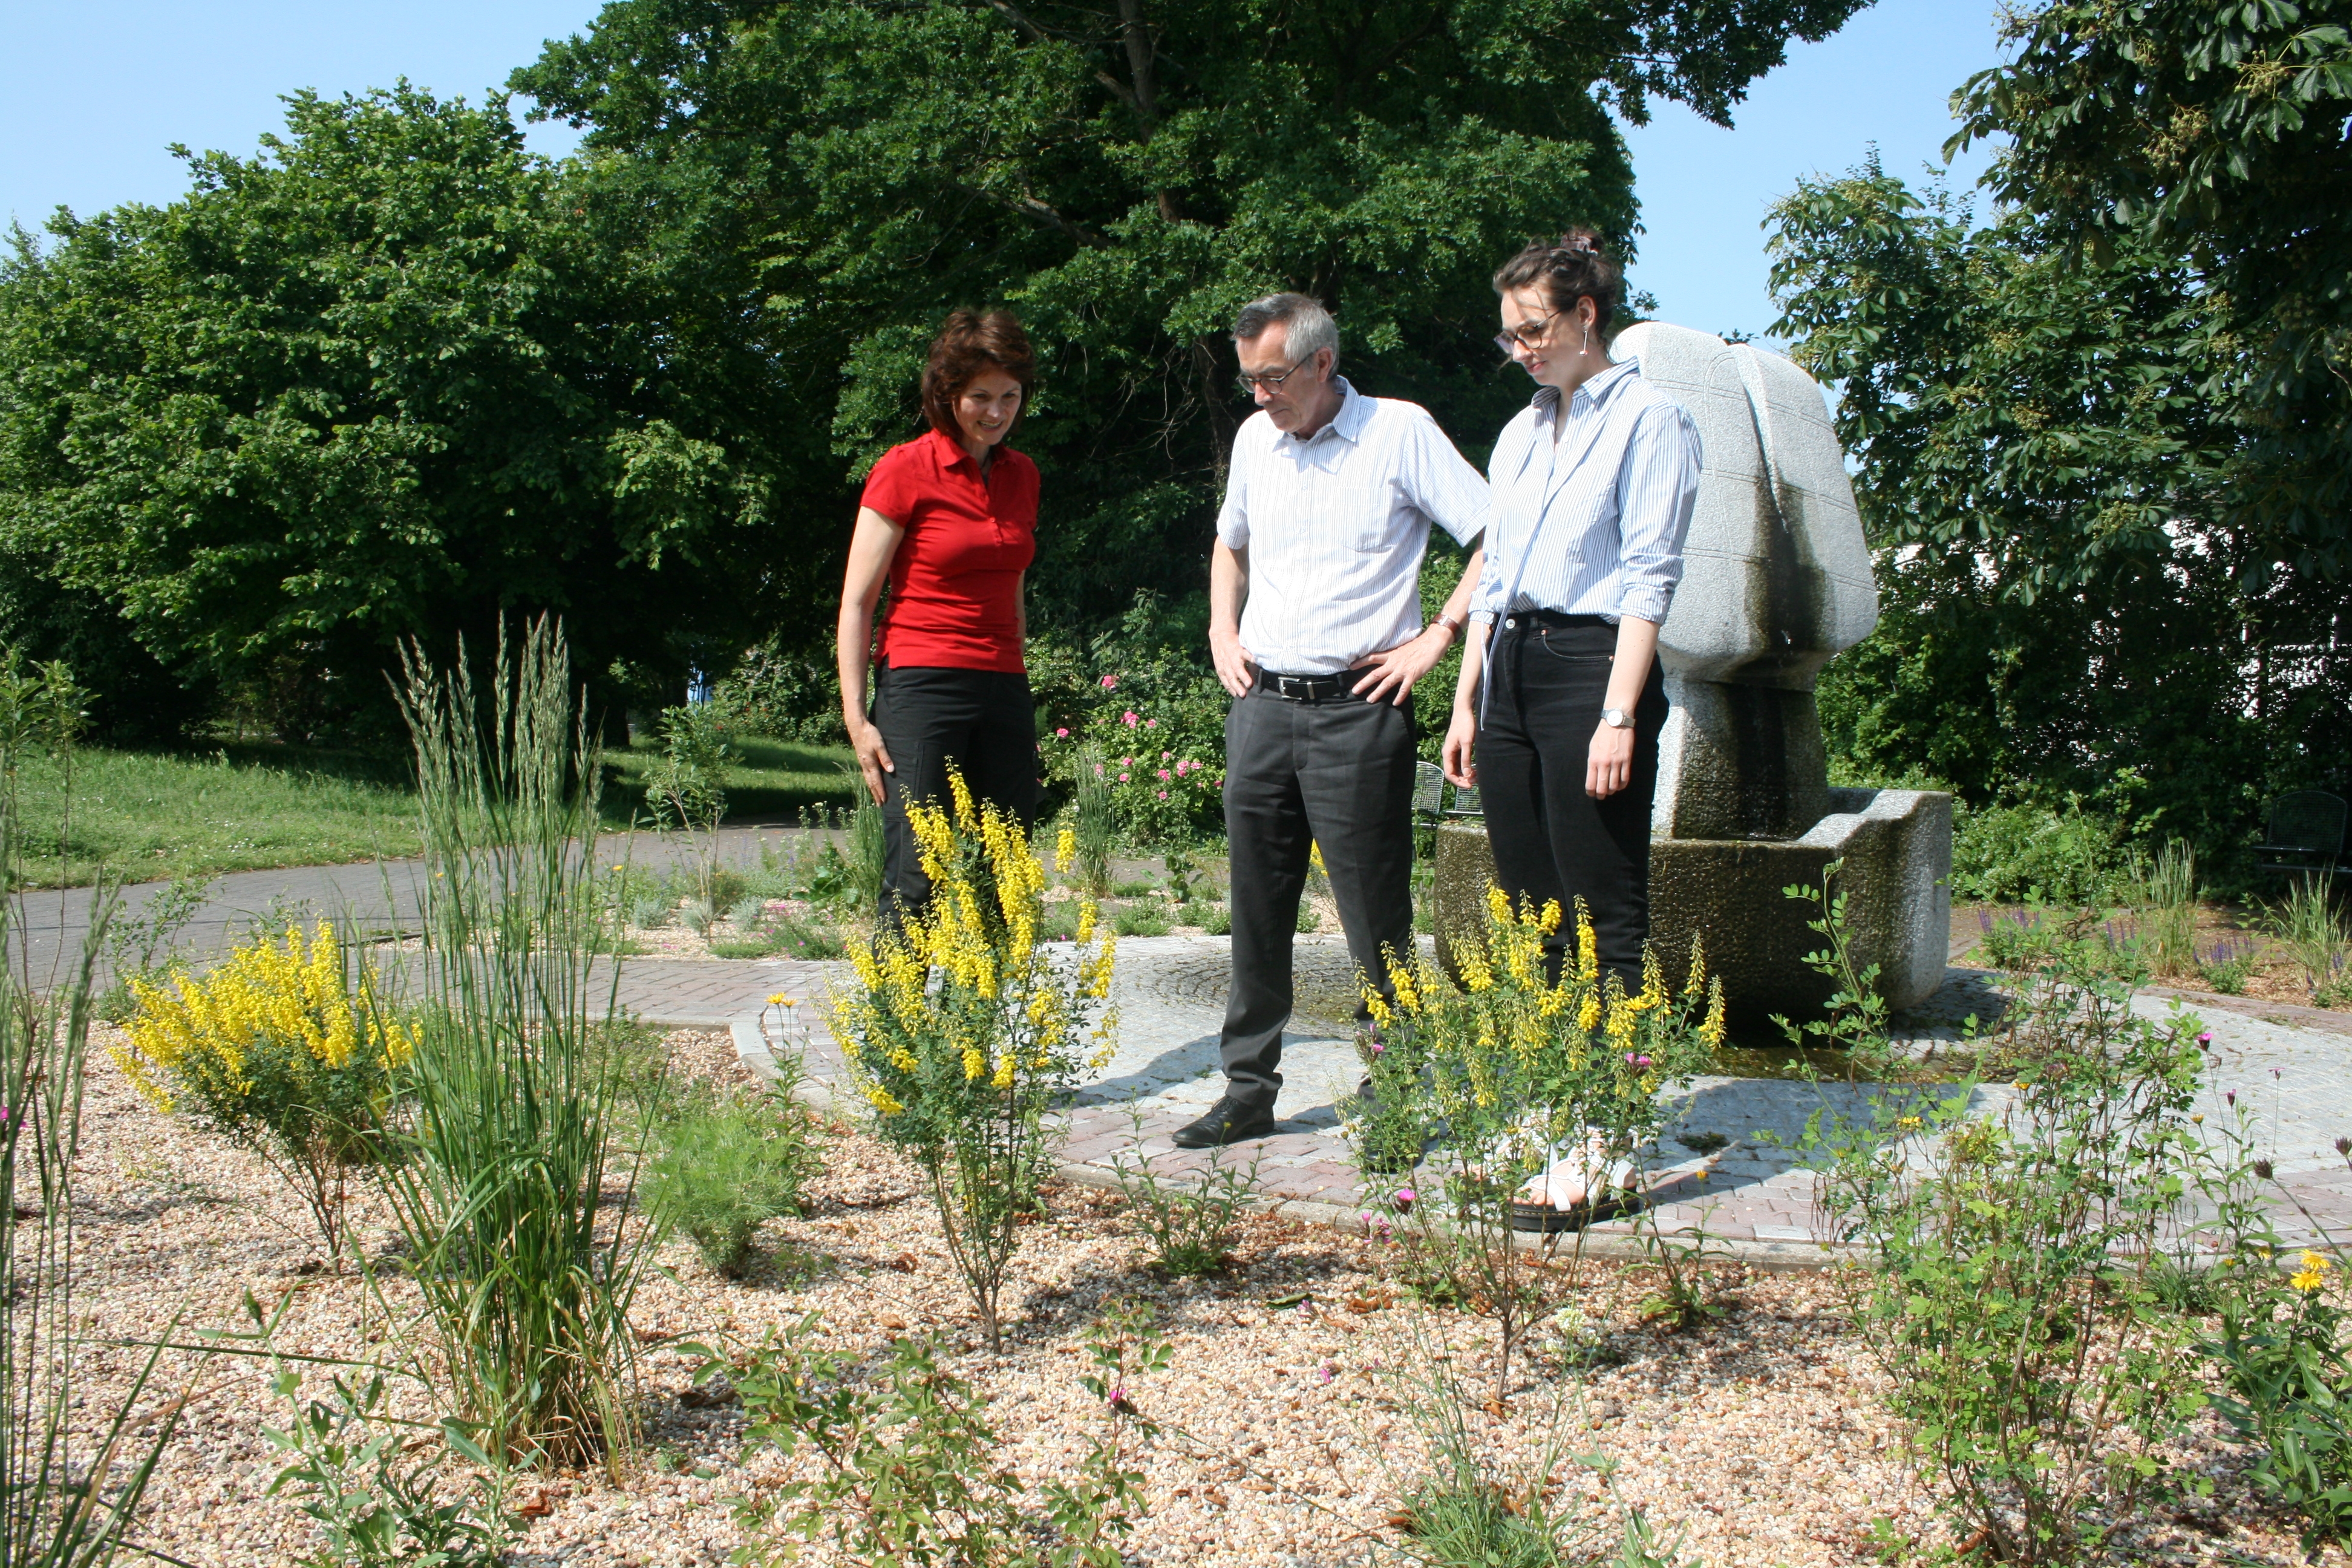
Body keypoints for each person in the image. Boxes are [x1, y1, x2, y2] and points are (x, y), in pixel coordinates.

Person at [1174, 293, 1490, 1151]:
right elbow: (1228, 541)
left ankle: (1394, 1094)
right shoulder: (1254, 441)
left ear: (1321, 363)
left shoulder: (1400, 433)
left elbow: (1497, 534)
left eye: (1271, 377)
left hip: (1360, 711)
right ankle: (1248, 1092)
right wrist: (1219, 629)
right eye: (1248, 380)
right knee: (1257, 908)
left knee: (1374, 919)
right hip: (1263, 708)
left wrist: (1437, 637)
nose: (1258, 396)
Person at [1441, 230, 1702, 993]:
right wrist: (1467, 702)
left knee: (1605, 903)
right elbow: (1494, 576)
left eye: (1533, 329)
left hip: (1591, 667)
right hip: (1507, 671)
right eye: (1510, 334)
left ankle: (1613, 1103)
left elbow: (1651, 579)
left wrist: (1618, 716)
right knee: (1532, 910)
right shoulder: (1520, 432)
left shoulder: (1652, 420)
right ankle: (1549, 1097)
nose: (1520, 348)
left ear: (1584, 314)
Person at [837, 309, 1041, 926]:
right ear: (947, 393)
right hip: (922, 683)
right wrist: (857, 718)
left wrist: (1015, 668)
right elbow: (857, 602)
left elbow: (1014, 584)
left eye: (1010, 396)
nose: (997, 412)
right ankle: (902, 1023)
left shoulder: (1023, 474)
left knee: (1006, 867)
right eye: (981, 397)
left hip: (1003, 684)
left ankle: (987, 1022)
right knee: (918, 872)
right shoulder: (905, 468)